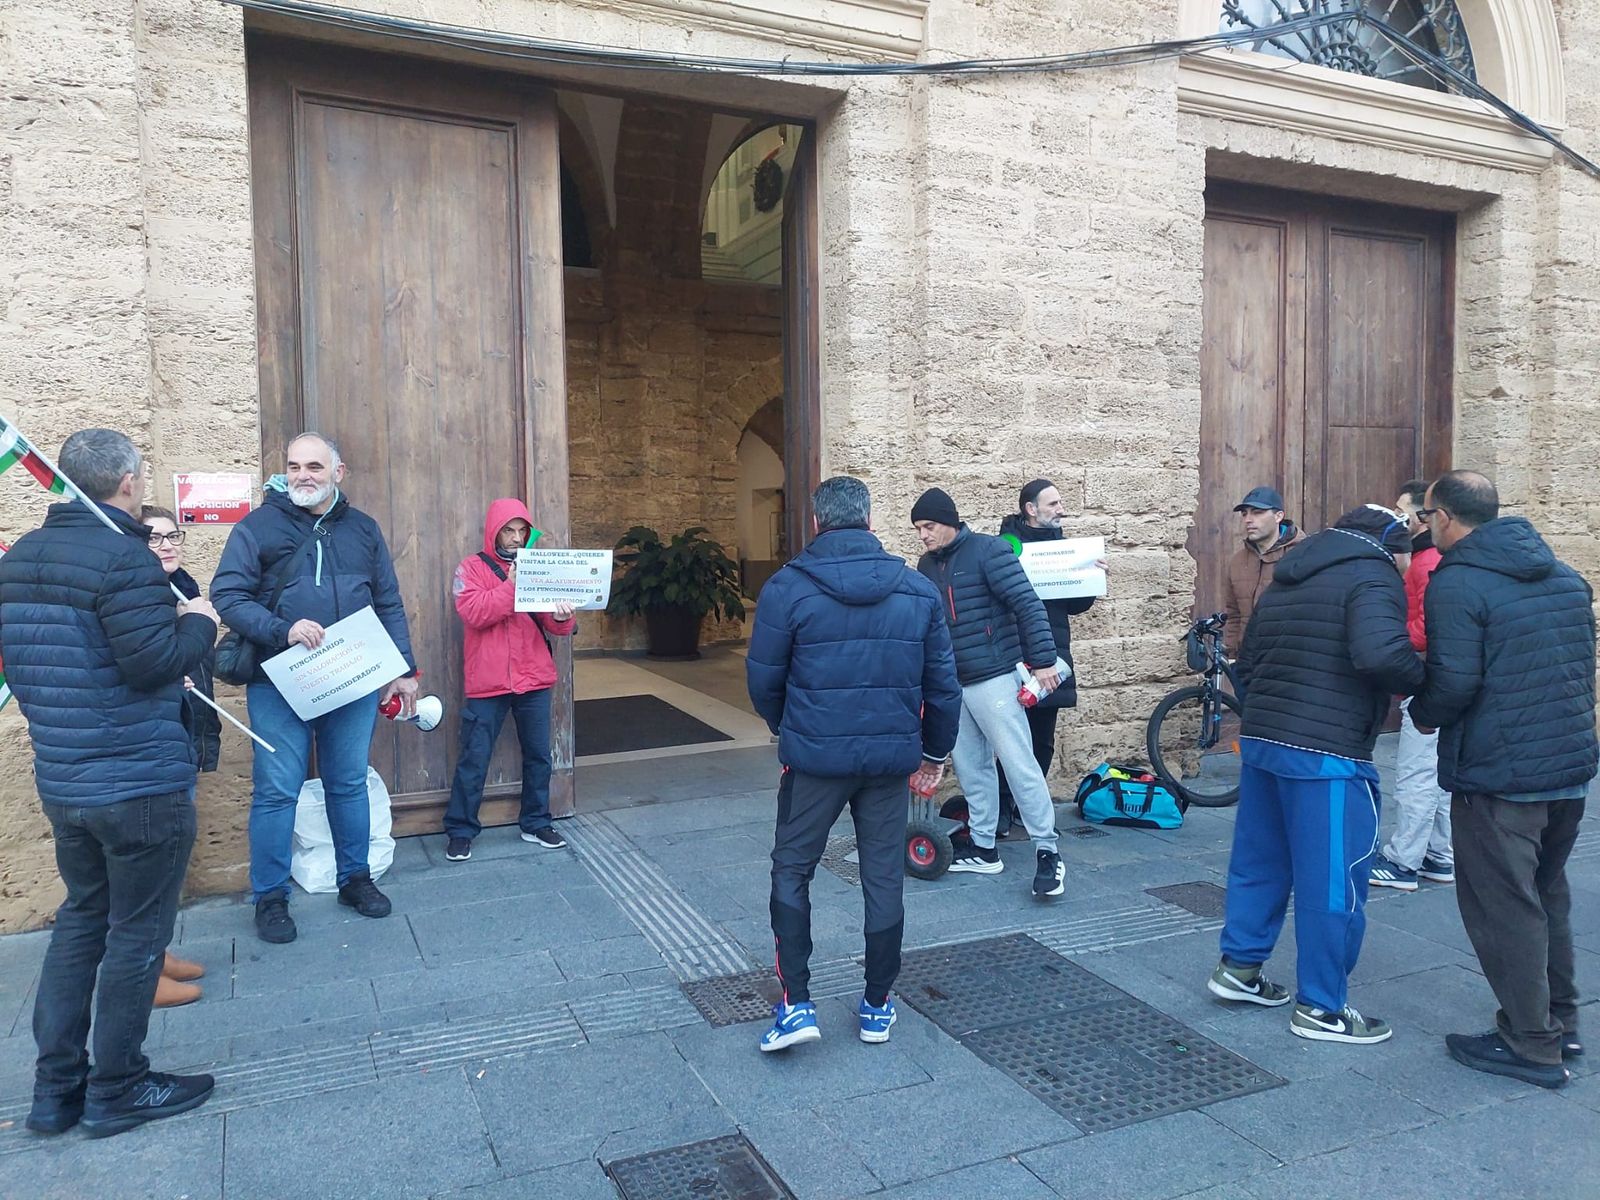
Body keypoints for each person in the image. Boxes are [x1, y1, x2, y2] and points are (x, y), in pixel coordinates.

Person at [0, 429, 219, 1138]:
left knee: (81, 923)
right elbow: (154, 664)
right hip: (139, 783)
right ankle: (118, 1088)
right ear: (127, 483)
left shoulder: (19, 558)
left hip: (66, 780)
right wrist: (200, 624)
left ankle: (55, 1091)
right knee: (135, 935)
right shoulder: (127, 559)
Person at [747, 476, 960, 1052]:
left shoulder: (787, 588)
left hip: (815, 761)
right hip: (889, 761)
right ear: (869, 520)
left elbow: (763, 681)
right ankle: (877, 1005)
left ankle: (796, 1005)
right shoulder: (917, 590)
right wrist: (934, 754)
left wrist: (788, 727)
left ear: (817, 522)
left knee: (792, 869)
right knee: (883, 876)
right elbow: (944, 686)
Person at [1207, 504, 1422, 1045]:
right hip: (1326, 751)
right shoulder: (1373, 576)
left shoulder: (1288, 575)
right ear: (1393, 549)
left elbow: (1248, 661)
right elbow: (1381, 655)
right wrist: (1430, 685)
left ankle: (1239, 969)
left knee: (1260, 863)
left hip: (1265, 741)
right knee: (1333, 879)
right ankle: (1323, 1008)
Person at [1410, 470, 1596, 1089]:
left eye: (1426, 514)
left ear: (1444, 517)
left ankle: (1532, 1043)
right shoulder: (1564, 575)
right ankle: (1561, 1025)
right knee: (1546, 895)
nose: (1424, 525)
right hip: (1567, 767)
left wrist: (1421, 713)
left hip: (1500, 776)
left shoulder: (1458, 581)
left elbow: (1455, 681)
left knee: (1505, 908)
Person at [213, 432, 418, 945]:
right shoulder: (257, 527)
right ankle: (270, 897)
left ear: (338, 473)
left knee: (347, 781)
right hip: (278, 682)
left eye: (314, 467)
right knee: (277, 790)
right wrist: (281, 630)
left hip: (351, 678)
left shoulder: (364, 530)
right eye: (294, 466)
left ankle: (355, 878)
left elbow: (388, 602)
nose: (302, 475)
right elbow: (228, 595)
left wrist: (404, 669)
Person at [912, 486, 1066, 898]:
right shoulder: (926, 565)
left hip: (996, 678)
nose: (923, 535)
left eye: (929, 526)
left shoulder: (989, 551)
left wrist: (1044, 661)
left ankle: (1048, 851)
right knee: (971, 769)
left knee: (1019, 765)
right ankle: (984, 849)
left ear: (949, 521)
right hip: (953, 685)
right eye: (918, 528)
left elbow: (1027, 604)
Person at [442, 499, 576, 862]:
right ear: (494, 532)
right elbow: (474, 612)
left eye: (522, 531)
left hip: (533, 679)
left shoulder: (540, 566)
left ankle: (536, 822)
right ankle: (460, 830)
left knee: (539, 757)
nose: (516, 538)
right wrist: (512, 586)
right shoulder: (470, 568)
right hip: (488, 683)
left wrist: (562, 617)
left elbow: (554, 625)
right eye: (508, 530)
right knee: (474, 758)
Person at [140, 504, 218, 1009]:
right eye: (154, 538)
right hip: (154, 739)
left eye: (173, 537)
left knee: (171, 854)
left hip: (184, 730)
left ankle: (156, 951)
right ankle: (141, 972)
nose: (167, 546)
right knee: (152, 858)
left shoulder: (184, 587)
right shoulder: (137, 592)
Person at [993, 479, 1101, 836]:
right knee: (1009, 739)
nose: (1060, 509)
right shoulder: (1005, 547)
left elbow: (1073, 605)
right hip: (1015, 653)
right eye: (1053, 504)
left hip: (1052, 652)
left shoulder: (1064, 547)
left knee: (1042, 740)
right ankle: (1002, 807)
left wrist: (1090, 578)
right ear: (1031, 509)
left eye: (1060, 503)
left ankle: (1026, 806)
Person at [1369, 480, 1453, 892]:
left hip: (1425, 682)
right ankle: (1439, 854)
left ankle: (1403, 861)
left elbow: (1428, 624)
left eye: (1402, 510)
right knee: (1433, 773)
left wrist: (1392, 643)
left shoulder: (1427, 562)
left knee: (1416, 773)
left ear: (1423, 517)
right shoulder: (1425, 559)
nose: (1397, 517)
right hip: (1432, 680)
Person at [1223, 485, 1306, 658]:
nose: (1248, 519)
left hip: (1288, 659)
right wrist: (1231, 656)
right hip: (1247, 660)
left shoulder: (1303, 555)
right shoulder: (1238, 561)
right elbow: (1234, 615)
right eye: (1244, 513)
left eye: (1257, 512)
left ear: (1278, 516)